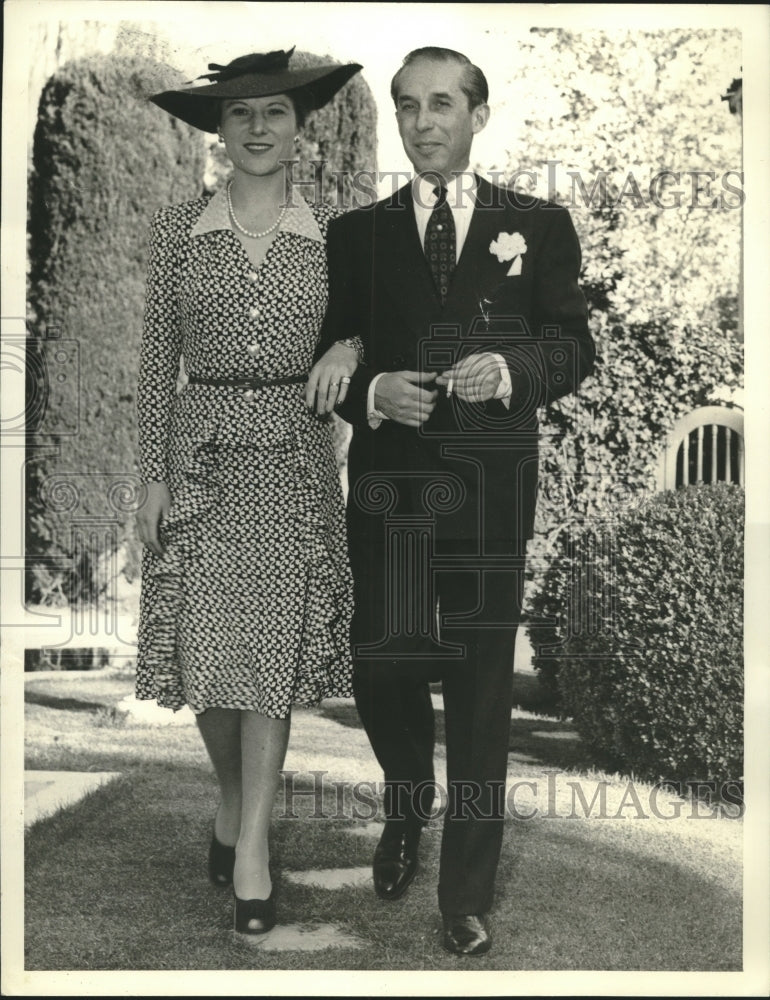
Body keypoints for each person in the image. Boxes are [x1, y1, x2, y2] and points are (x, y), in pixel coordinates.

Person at [307, 46, 595, 956]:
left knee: (477, 690)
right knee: (382, 665)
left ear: (477, 113)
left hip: (491, 490)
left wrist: (513, 369)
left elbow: (575, 348)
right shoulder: (357, 234)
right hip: (391, 487)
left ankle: (462, 895)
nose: (421, 122)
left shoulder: (538, 225)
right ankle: (406, 796)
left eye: (439, 104)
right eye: (405, 107)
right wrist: (370, 388)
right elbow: (332, 351)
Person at [135, 48, 362, 936]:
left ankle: (255, 848)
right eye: (241, 115)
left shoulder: (340, 231)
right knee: (206, 651)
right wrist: (149, 476)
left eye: (274, 112)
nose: (259, 128)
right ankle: (233, 801)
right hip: (198, 458)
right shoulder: (176, 230)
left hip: (293, 462)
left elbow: (370, 329)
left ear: (300, 126)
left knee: (267, 657)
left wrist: (347, 349)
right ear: (218, 132)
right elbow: (156, 365)